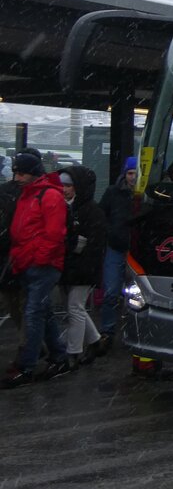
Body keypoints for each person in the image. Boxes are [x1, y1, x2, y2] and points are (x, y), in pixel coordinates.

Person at [1, 153, 70, 388]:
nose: (17, 177)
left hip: (39, 265)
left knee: (33, 313)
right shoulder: (34, 193)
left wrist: (37, 258)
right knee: (42, 311)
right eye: (16, 172)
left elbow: (54, 234)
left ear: (34, 173)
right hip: (31, 262)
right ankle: (59, 357)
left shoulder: (47, 195)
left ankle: (26, 366)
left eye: (21, 173)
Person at [58, 166, 106, 368]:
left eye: (68, 185)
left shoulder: (88, 211)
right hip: (75, 267)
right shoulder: (73, 207)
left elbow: (93, 243)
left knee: (74, 307)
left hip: (82, 268)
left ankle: (74, 352)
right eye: (62, 185)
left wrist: (72, 243)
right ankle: (94, 341)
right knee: (76, 307)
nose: (64, 189)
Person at [97, 156, 138, 353]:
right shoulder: (114, 193)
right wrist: (109, 232)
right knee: (111, 292)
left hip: (134, 250)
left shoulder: (142, 195)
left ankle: (129, 331)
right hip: (117, 247)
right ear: (125, 174)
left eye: (135, 173)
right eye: (130, 173)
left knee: (135, 295)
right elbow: (101, 214)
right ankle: (108, 331)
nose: (133, 177)